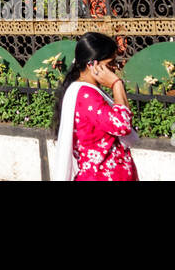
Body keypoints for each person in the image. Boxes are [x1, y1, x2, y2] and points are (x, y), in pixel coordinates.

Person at [51, 31, 139, 181]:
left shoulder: (89, 92)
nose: (114, 69)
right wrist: (117, 84)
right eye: (110, 64)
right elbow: (123, 125)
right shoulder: (85, 95)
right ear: (92, 65)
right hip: (100, 176)